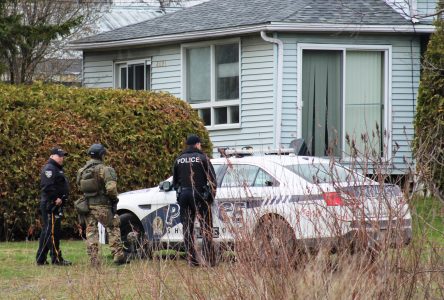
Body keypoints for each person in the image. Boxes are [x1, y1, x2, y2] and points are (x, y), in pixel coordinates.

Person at [76, 143, 127, 266]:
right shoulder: (105, 170)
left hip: (87, 207)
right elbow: (111, 188)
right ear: (102, 155)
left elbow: (79, 186)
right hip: (103, 206)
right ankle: (118, 255)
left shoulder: (81, 171)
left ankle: (94, 259)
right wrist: (113, 199)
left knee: (91, 232)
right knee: (113, 227)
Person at [173, 134, 217, 267]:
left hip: (184, 196)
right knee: (206, 226)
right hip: (199, 195)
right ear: (197, 144)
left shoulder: (179, 159)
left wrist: (180, 194)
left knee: (187, 227)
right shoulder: (203, 158)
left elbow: (175, 182)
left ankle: (191, 260)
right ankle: (209, 259)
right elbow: (213, 180)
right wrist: (210, 198)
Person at [36, 147, 72, 266]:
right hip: (50, 204)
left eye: (62, 156)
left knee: (47, 231)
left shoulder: (56, 169)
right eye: (60, 155)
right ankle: (56, 258)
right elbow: (46, 186)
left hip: (54, 204)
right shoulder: (50, 168)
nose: (62, 158)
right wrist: (55, 198)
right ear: (52, 156)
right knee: (52, 232)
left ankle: (41, 259)